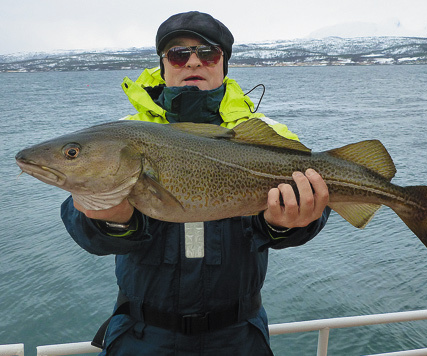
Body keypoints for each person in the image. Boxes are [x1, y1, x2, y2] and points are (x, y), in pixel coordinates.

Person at [61, 11, 331, 356]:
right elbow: (84, 230)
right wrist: (111, 220)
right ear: (163, 65)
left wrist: (284, 225)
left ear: (223, 65)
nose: (192, 62)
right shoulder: (122, 135)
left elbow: (314, 207)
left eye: (207, 53)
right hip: (142, 335)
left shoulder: (265, 135)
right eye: (178, 54)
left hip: (237, 337)